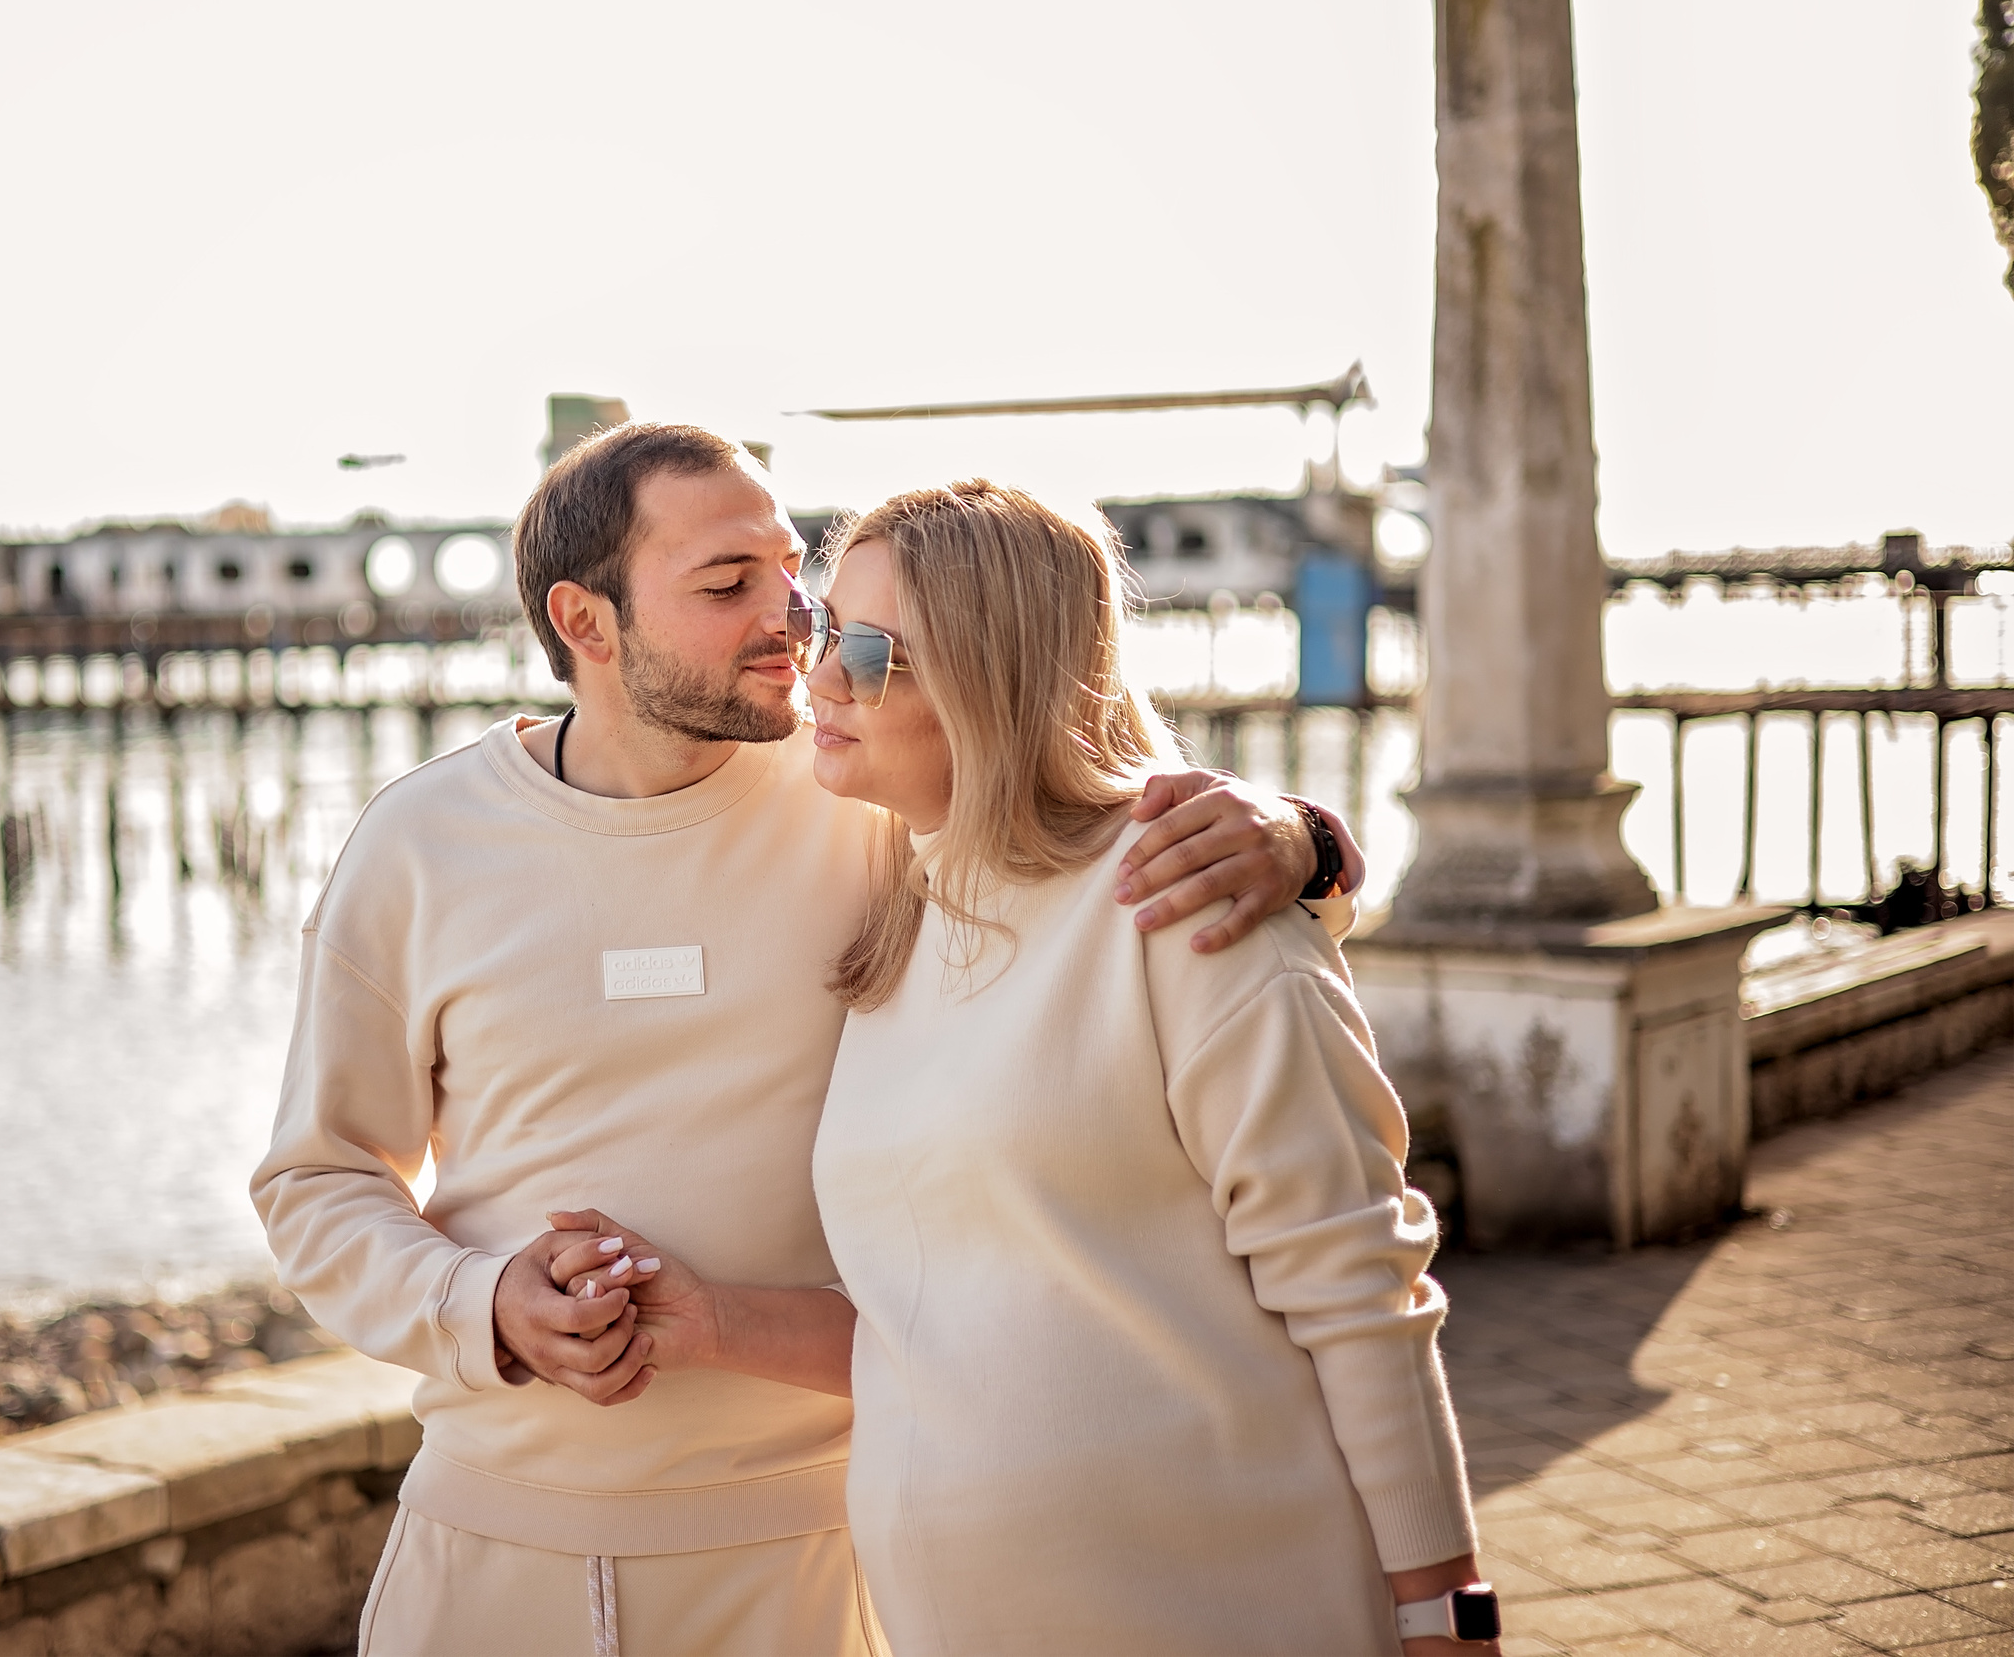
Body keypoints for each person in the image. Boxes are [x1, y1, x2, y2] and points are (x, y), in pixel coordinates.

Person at [251, 426, 1365, 1656]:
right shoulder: (417, 846)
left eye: (790, 573)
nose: (790, 618)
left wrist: (1299, 839)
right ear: (587, 621)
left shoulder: (864, 790)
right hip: (488, 1550)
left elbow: (1088, 837)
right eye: (726, 586)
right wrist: (484, 1300)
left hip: (822, 1554)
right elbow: (319, 1179)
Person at [566, 480, 1493, 1656]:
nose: (819, 682)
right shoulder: (896, 922)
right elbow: (947, 1321)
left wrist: (1447, 1616)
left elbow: (1361, 1292)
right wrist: (707, 1323)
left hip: (1227, 1606)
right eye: (821, 634)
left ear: (994, 671)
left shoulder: (1184, 906)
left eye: (867, 651)